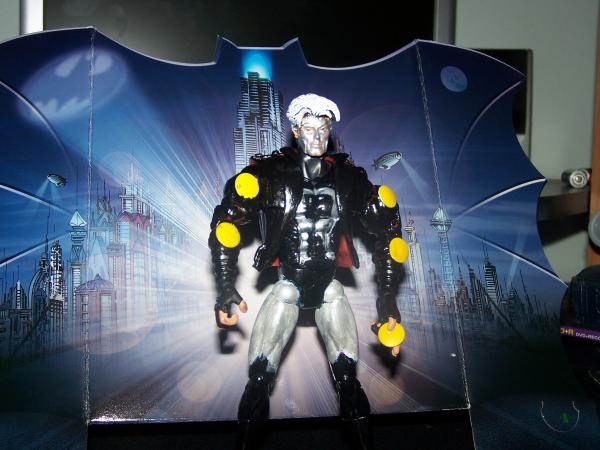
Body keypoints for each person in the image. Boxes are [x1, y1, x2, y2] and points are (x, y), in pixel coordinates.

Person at [209, 93, 407, 445]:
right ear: (296, 131)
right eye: (309, 128)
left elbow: (388, 228)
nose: (317, 136)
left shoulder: (347, 177)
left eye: (324, 129)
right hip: (288, 286)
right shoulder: (268, 174)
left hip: (330, 288)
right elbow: (227, 224)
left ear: (330, 131)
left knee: (348, 380)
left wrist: (388, 298)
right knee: (258, 380)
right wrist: (225, 285)